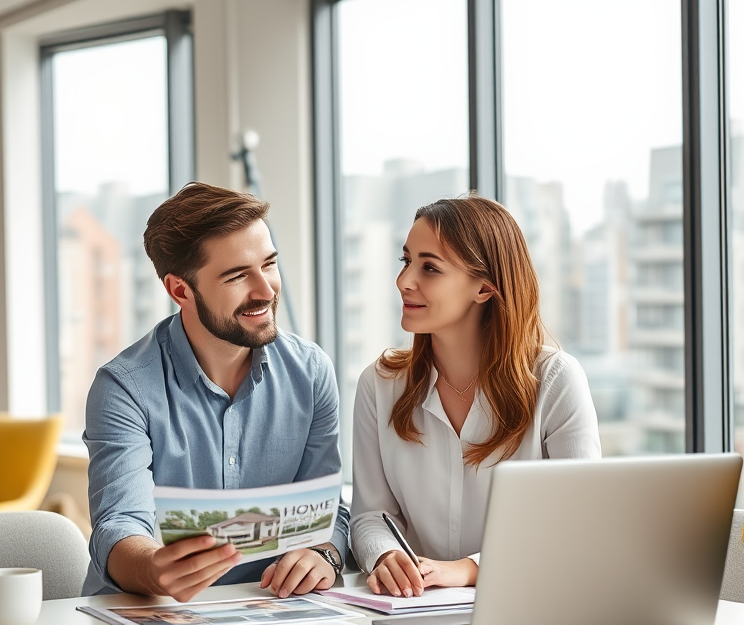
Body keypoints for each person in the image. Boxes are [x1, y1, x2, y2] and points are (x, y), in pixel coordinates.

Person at [83, 182, 348, 602]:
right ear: (180, 290)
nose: (266, 290)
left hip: (269, 613)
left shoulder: (311, 372)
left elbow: (328, 512)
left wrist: (323, 554)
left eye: (269, 264)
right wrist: (154, 570)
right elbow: (119, 526)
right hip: (149, 617)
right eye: (238, 275)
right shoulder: (123, 388)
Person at [350, 193, 600, 598]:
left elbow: (579, 525)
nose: (404, 281)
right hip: (415, 609)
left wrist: (469, 570)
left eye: (429, 267)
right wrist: (384, 556)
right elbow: (370, 515)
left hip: (529, 604)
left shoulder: (555, 380)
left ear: (484, 289)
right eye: (406, 261)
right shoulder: (379, 385)